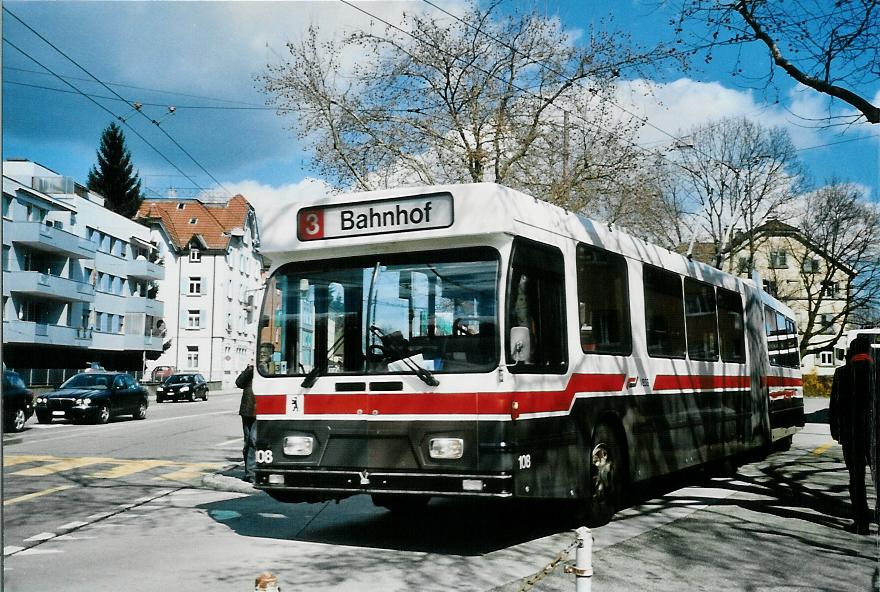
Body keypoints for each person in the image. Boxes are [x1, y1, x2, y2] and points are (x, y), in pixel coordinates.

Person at [829, 336, 876, 535]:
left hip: (852, 435)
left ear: (851, 352)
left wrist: (836, 432)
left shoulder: (841, 373)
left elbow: (835, 407)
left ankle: (861, 523)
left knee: (856, 479)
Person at [236, 364, 256, 483]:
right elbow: (239, 383)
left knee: (253, 440)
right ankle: (249, 472)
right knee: (248, 441)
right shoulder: (251, 371)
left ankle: (252, 473)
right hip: (248, 410)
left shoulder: (269, 370)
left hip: (262, 410)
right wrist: (248, 370)